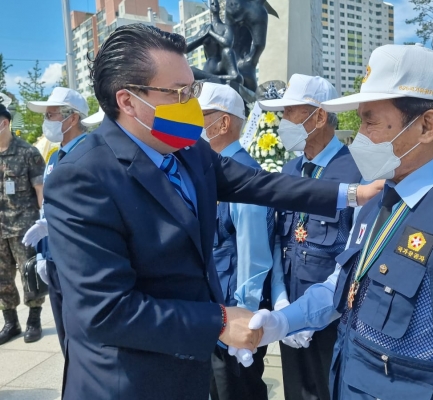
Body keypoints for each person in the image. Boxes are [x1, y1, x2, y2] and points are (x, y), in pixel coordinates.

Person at [43, 24, 382, 400]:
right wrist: (219, 321)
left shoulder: (188, 151)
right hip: (127, 379)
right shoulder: (84, 177)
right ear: (128, 101)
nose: (190, 103)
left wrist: (354, 193)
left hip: (188, 367)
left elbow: (260, 185)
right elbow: (106, 312)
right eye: (178, 93)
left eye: (193, 89)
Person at [245, 44, 433, 399]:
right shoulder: (378, 195)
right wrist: (282, 321)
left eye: (369, 120)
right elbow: (340, 285)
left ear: (427, 125)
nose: (360, 135)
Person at [259, 74, 363, 400]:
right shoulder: (289, 171)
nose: (283, 121)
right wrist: (281, 303)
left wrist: (319, 316)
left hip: (334, 320)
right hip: (289, 315)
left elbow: (356, 255)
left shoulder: (356, 172)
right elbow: (278, 239)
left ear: (318, 117)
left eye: (290, 112)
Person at [199, 82, 272, 400]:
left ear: (223, 123)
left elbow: (254, 254)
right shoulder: (209, 170)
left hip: (234, 318)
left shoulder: (241, 174)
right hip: (213, 313)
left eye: (199, 116)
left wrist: (245, 317)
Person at [22, 87, 89, 354]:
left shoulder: (90, 153)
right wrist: (42, 254)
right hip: (54, 259)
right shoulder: (53, 157)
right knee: (65, 336)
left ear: (71, 118)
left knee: (84, 336)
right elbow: (46, 207)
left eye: (50, 115)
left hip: (79, 261)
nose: (46, 121)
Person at [0, 103, 46, 345]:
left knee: (30, 276)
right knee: (2, 279)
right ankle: (11, 322)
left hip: (23, 228)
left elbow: (41, 191)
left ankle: (34, 320)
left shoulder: (28, 153)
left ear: (3, 122)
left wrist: (44, 224)